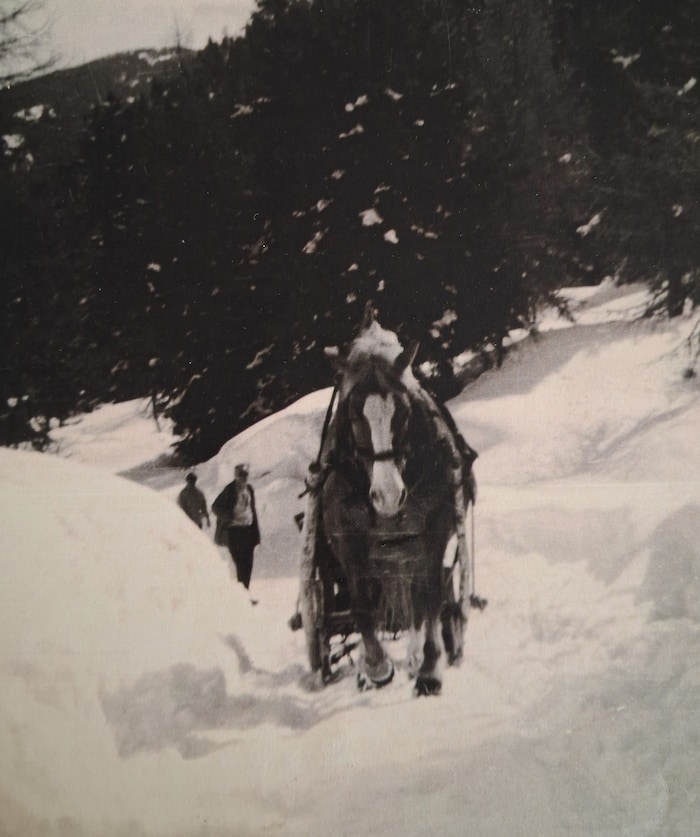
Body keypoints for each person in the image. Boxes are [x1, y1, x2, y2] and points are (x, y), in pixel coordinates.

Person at [212, 463, 260, 591]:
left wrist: (256, 533)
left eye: (245, 475)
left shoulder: (249, 489)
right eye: (241, 475)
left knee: (248, 564)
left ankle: (245, 592)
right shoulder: (230, 489)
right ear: (236, 475)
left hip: (248, 530)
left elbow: (252, 510)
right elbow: (215, 507)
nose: (243, 478)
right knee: (240, 564)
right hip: (235, 531)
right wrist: (228, 517)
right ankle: (243, 593)